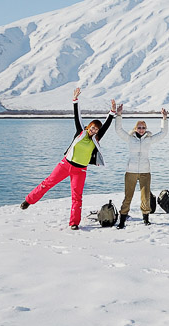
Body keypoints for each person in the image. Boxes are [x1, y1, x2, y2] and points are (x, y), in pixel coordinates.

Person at [20, 88, 114, 229]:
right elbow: (77, 116)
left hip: (80, 171)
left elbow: (106, 126)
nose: (93, 130)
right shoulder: (80, 132)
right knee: (47, 183)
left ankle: (74, 223)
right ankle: (28, 200)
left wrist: (112, 112)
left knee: (77, 197)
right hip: (65, 165)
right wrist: (75, 100)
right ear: (89, 126)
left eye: (96, 129)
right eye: (92, 127)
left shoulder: (96, 139)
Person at [112, 104, 169, 228]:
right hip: (130, 172)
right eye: (139, 127)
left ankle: (146, 218)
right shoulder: (130, 138)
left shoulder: (149, 139)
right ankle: (122, 220)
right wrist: (119, 115)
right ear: (135, 128)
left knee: (145, 197)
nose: (141, 129)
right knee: (128, 197)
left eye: (143, 127)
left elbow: (163, 133)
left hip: (145, 172)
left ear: (146, 129)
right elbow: (118, 130)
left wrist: (164, 118)